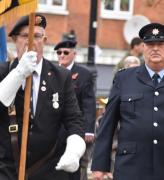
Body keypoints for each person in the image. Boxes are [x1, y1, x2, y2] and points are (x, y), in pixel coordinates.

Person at [0, 13, 86, 180]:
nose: (32, 41)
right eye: (25, 36)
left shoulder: (60, 77)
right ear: (15, 40)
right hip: (3, 168)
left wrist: (74, 149)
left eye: (37, 36)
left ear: (45, 41)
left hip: (45, 167)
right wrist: (18, 74)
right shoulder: (0, 72)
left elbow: (74, 119)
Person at [91, 22, 164, 180]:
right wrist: (99, 165)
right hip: (131, 166)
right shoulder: (124, 78)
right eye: (151, 44)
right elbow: (108, 122)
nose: (156, 48)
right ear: (143, 47)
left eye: (160, 44)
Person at [54, 39, 96, 180]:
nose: (62, 55)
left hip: (74, 129)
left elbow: (88, 104)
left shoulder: (83, 74)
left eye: (66, 52)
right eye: (59, 52)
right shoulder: (51, 72)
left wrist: (89, 129)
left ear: (74, 54)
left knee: (73, 168)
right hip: (53, 128)